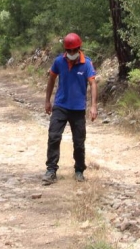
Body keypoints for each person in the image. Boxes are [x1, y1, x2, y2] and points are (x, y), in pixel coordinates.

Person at [42, 33, 98, 185]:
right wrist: (47, 101)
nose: (72, 53)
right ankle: (51, 170)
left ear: (79, 48)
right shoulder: (59, 61)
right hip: (60, 106)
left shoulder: (86, 63)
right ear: (65, 49)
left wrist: (93, 106)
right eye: (69, 50)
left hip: (78, 109)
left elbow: (93, 84)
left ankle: (79, 170)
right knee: (54, 137)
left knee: (79, 142)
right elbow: (51, 79)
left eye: (74, 50)